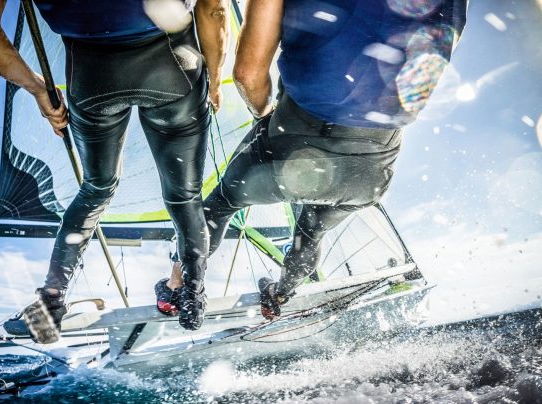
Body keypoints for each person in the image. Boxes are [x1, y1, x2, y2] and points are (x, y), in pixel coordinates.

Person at [163, 0, 468, 320]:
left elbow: (247, 74)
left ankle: (178, 286)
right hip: (373, 169)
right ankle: (280, 294)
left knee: (222, 204)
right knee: (312, 231)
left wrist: (265, 116)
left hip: (296, 141)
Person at [0, 0, 228, 340]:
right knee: (184, 196)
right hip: (176, 72)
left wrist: (38, 89)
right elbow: (213, 9)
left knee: (96, 188)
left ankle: (50, 302)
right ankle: (191, 295)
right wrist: (214, 79)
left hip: (92, 81)